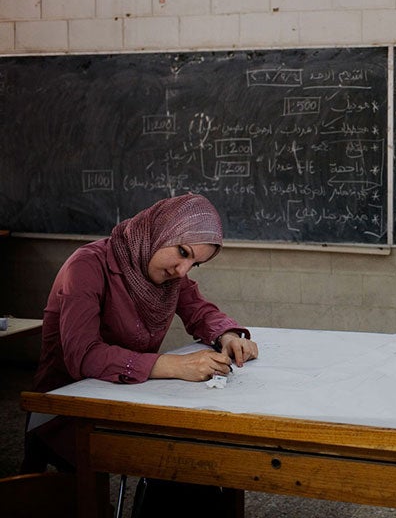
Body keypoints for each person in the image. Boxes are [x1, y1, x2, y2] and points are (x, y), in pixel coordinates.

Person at [22, 193, 258, 473]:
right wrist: (176, 365)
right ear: (160, 231)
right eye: (183, 252)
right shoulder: (86, 266)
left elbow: (200, 310)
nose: (183, 271)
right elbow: (83, 355)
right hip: (65, 409)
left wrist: (228, 336)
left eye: (194, 264)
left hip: (128, 398)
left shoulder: (169, 276)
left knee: (189, 458)